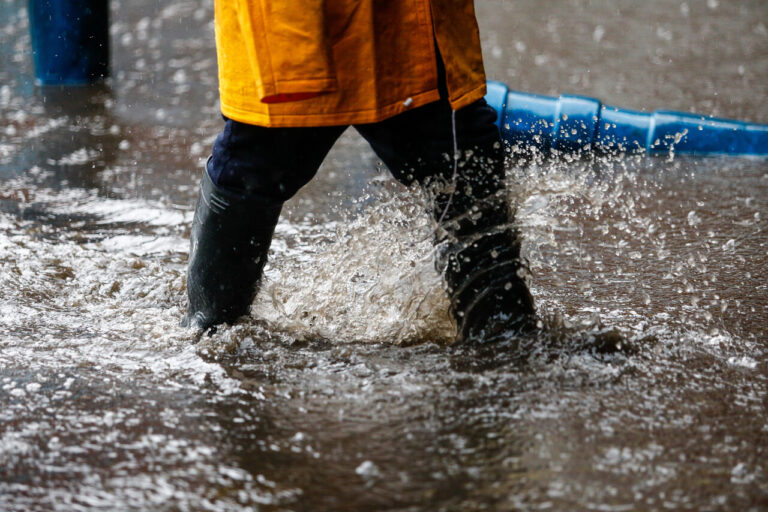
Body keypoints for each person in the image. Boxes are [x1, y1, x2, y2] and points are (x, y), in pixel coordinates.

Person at [182, 0, 535, 343]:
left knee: (458, 159)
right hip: (305, 26)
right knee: (259, 155)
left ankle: (210, 334)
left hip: (399, 30)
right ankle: (209, 332)